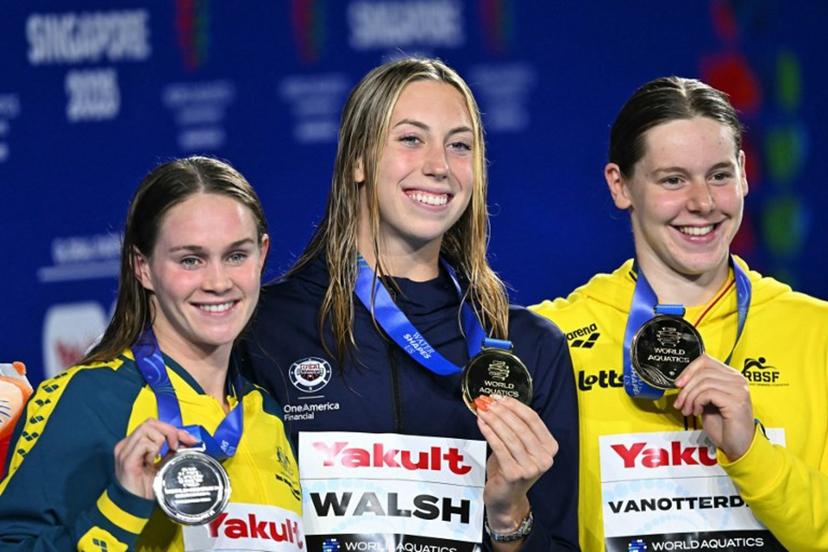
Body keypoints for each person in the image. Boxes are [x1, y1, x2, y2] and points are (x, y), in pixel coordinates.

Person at [239, 57, 578, 549]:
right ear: (357, 159)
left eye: (459, 145)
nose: (438, 166)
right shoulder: (265, 328)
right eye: (410, 139)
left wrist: (509, 513)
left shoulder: (527, 348)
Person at [531, 77, 828, 550]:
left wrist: (749, 452)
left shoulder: (817, 334)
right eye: (673, 179)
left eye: (719, 175)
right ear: (620, 185)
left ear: (744, 174)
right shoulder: (552, 341)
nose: (703, 203)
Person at [0, 157, 304, 550]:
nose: (218, 282)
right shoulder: (87, 400)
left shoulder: (266, 414)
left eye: (235, 255)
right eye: (190, 260)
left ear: (262, 255)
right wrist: (120, 506)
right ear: (142, 267)